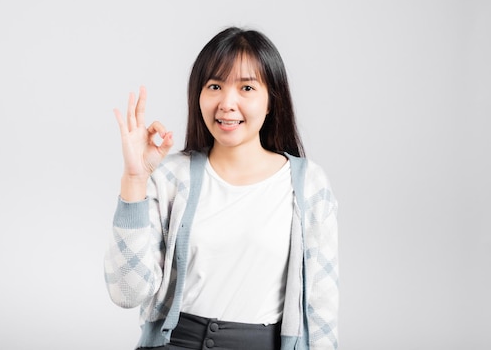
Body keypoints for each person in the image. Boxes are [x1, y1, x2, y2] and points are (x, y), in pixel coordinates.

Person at [104, 27, 339, 350]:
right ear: (198, 95)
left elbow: (321, 311)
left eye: (246, 87)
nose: (227, 103)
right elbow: (126, 293)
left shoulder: (308, 185)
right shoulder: (171, 176)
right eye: (215, 86)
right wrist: (134, 179)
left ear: (271, 100)